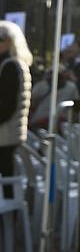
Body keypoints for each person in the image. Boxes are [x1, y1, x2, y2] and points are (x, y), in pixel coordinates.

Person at [0, 21, 32, 200]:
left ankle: (8, 215)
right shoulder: (11, 64)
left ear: (10, 41)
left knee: (6, 183)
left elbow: (7, 106)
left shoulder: (11, 65)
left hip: (6, 136)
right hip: (7, 134)